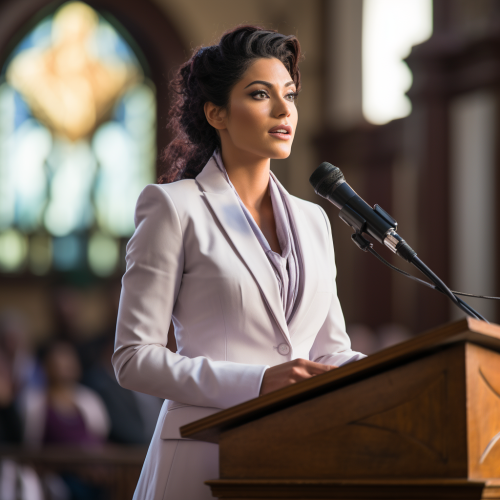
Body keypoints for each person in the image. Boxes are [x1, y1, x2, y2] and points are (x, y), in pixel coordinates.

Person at [113, 25, 365, 499]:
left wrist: (393, 372)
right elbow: (133, 360)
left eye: (288, 94)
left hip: (296, 457)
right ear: (216, 113)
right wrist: (258, 381)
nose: (283, 109)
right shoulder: (173, 208)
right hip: (203, 454)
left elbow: (328, 352)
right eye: (259, 94)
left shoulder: (314, 220)